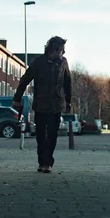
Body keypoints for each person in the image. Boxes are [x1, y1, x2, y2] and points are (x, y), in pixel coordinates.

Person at [13, 36, 72, 173]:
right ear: (53, 49)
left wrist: (68, 101)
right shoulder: (38, 63)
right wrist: (17, 98)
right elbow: (24, 80)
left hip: (56, 104)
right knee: (40, 135)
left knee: (52, 135)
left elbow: (67, 82)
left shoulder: (63, 63)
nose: (63, 53)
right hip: (41, 104)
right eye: (61, 50)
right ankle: (41, 162)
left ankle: (48, 163)